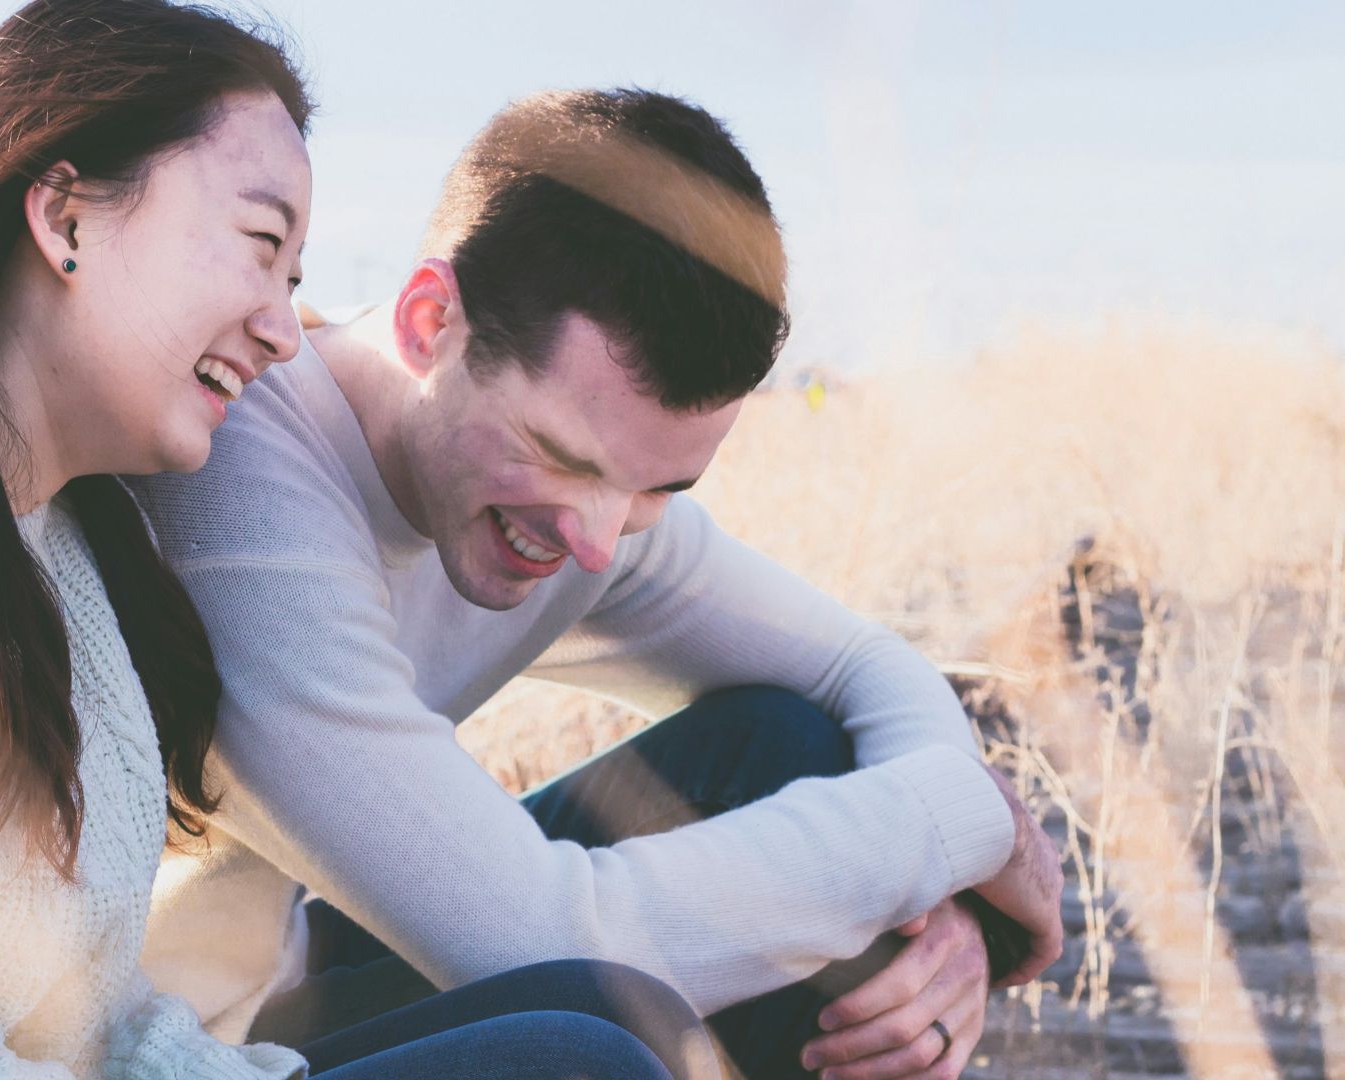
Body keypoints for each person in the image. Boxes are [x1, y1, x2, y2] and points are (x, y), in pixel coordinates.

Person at [0, 6, 704, 1078]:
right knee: (577, 1061)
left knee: (612, 1012)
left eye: (295, 279)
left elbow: (96, 1026)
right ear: (64, 215)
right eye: (258, 245)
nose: (281, 331)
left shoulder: (63, 546)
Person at [128, 88, 1066, 1080]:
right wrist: (963, 826)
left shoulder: (585, 508)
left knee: (787, 743)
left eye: (659, 486)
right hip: (155, 1044)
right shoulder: (242, 487)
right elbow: (541, 940)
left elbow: (861, 663)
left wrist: (938, 906)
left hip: (287, 979)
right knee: (589, 1053)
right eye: (561, 457)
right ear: (430, 321)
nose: (597, 539)